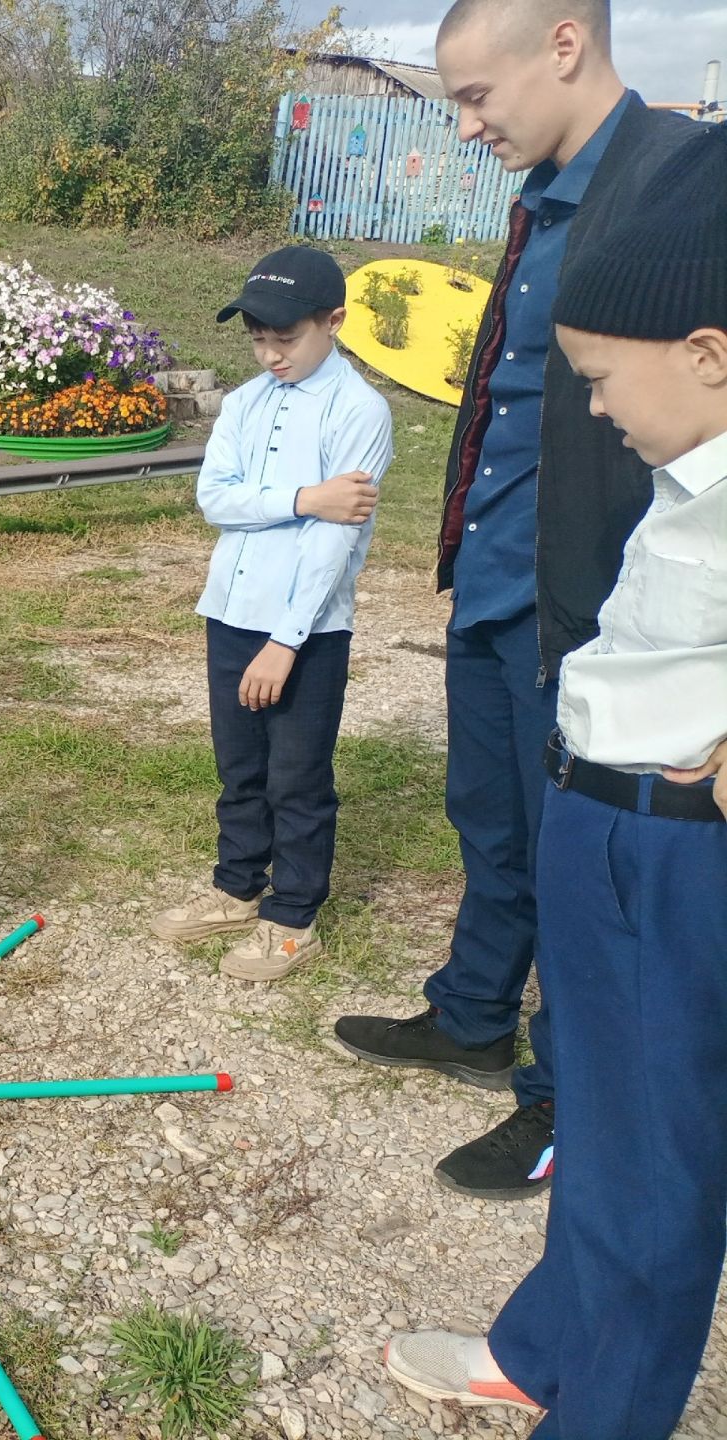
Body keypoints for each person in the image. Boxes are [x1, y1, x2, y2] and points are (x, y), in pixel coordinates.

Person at [385, 121, 727, 1440]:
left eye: (598, 379)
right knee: (597, 1120)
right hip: (595, 818)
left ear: (706, 355)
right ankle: (545, 1348)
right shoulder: (683, 465)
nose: (587, 406)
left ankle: (604, 1413)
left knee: (658, 1179)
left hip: (672, 849)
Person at [333, 0, 695, 1201]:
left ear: (564, 45)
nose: (467, 122)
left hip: (596, 606)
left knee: (580, 867)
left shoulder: (684, 189)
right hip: (499, 586)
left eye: (478, 97)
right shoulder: (541, 197)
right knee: (489, 821)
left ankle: (562, 1103)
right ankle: (474, 1012)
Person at [149, 246, 393, 983]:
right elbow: (213, 499)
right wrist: (300, 498)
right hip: (231, 608)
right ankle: (237, 886)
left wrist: (286, 643)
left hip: (307, 629)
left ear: (334, 322)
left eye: (286, 338)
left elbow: (334, 542)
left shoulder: (360, 411)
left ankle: (293, 916)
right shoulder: (247, 401)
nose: (271, 353)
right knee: (240, 764)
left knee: (297, 774)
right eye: (258, 339)